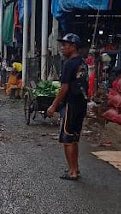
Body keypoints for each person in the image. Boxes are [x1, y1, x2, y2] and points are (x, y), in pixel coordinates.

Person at [47, 33, 87, 181]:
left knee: (67, 138)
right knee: (74, 138)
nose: (62, 47)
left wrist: (53, 106)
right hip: (81, 104)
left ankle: (72, 172)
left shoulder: (69, 63)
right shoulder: (81, 62)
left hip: (71, 104)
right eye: (62, 44)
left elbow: (64, 87)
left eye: (65, 45)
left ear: (74, 46)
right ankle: (75, 168)